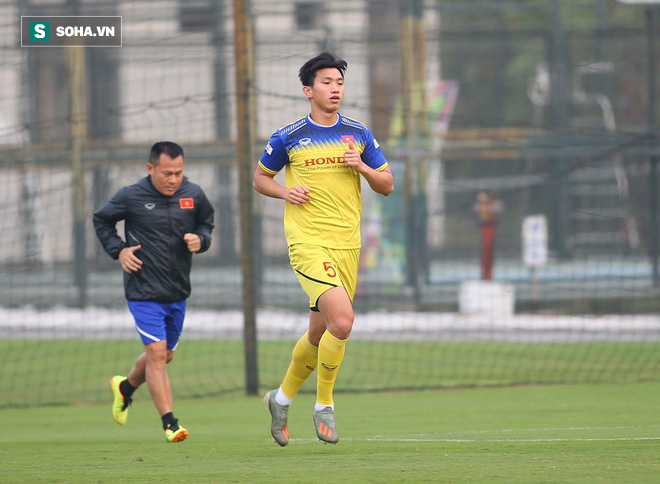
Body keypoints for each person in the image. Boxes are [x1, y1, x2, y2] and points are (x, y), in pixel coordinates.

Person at [253, 52, 394, 446]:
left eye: (340, 83)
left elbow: (387, 184)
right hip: (308, 242)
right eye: (327, 83)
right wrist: (285, 190)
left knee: (320, 333)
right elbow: (260, 179)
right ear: (308, 90)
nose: (335, 89)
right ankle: (324, 406)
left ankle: (279, 400)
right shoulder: (289, 136)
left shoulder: (359, 134)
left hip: (348, 245)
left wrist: (363, 168)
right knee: (344, 322)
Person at [93, 141, 214, 442]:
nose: (173, 179)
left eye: (178, 173)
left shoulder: (193, 194)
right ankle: (170, 424)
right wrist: (119, 250)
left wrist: (201, 239)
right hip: (142, 290)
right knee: (157, 354)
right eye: (166, 173)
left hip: (177, 290)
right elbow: (102, 220)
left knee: (165, 355)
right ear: (150, 169)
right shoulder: (131, 195)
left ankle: (125, 388)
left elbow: (207, 224)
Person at [473, 191, 502, 280]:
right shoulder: (480, 206)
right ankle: (484, 274)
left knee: (488, 250)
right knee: (484, 252)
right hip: (483, 227)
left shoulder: (493, 205)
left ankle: (488, 274)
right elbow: (475, 210)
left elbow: (498, 209)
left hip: (490, 227)